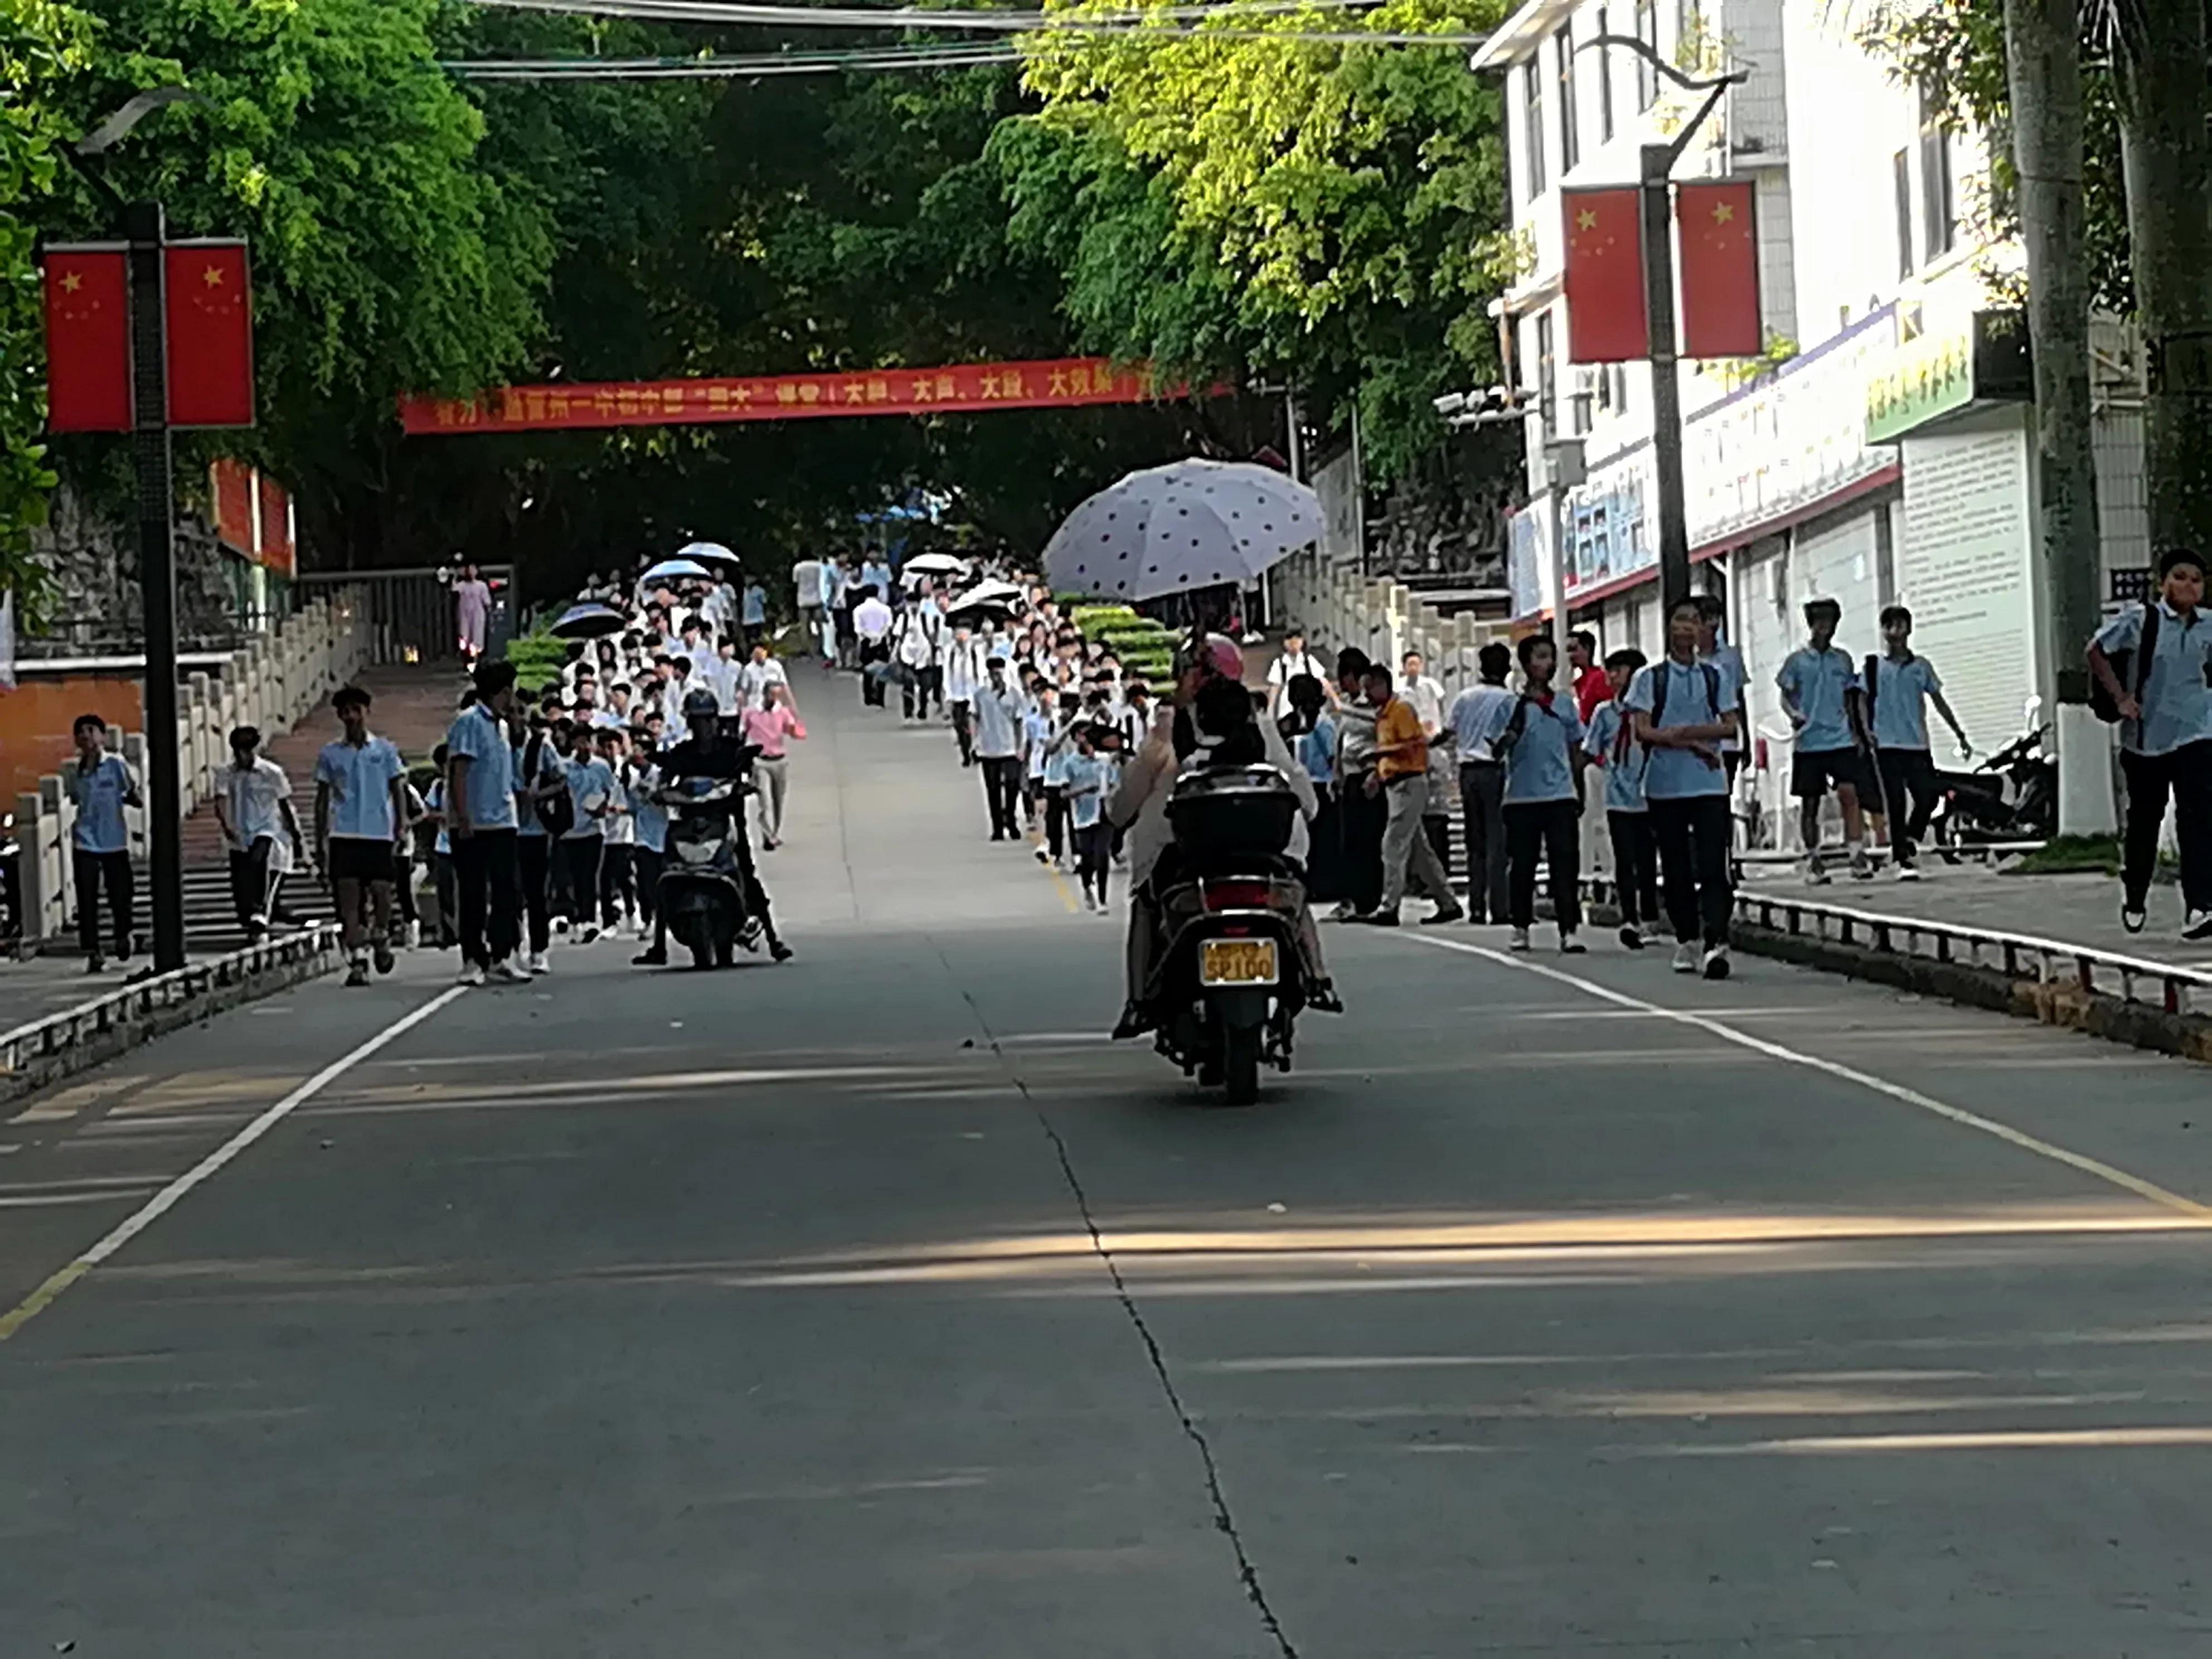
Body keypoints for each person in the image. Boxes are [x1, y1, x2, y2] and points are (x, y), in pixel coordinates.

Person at [1108, 636, 1331, 1037]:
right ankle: (1318, 976)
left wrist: (1119, 815)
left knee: (1146, 905)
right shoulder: (1258, 731)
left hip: (1185, 856)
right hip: (1265, 851)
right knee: (1294, 897)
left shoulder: (1171, 731)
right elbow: (1302, 793)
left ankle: (1138, 1001)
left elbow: (1128, 799)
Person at [2090, 544, 2212, 938]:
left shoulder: (2209, 624)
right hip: (2146, 740)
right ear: (2163, 583)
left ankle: (2199, 905)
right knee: (2146, 819)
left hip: (2198, 732)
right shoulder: (2141, 620)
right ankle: (2136, 892)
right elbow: (2096, 651)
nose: (2188, 586)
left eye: (2196, 580)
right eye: (2180, 577)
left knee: (2198, 818)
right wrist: (2121, 698)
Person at [1629, 597, 1744, 979]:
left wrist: (1686, 733)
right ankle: (1686, 937)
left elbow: (1729, 725)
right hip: (1665, 785)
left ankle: (1717, 940)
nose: (1687, 629)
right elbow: (1643, 730)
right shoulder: (1651, 678)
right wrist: (1691, 744)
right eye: (1680, 621)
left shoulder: (1714, 676)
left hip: (1709, 784)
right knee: (1676, 867)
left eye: (1694, 622)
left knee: (1714, 864)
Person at [644, 687, 793, 962]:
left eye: (707, 719)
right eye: (696, 720)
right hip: (689, 824)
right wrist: (660, 791)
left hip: (725, 821)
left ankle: (773, 938)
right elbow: (666, 776)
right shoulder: (683, 753)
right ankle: (658, 945)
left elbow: (746, 768)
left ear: (715, 719)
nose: (702, 726)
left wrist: (743, 786)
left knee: (747, 872)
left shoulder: (730, 749)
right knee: (664, 873)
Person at [1348, 662, 1462, 926]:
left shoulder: (1401, 710)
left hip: (1409, 782)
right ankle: (1448, 902)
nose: (1367, 695)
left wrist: (1378, 755)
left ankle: (1389, 907)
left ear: (1382, 685)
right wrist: (1377, 775)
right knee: (1420, 852)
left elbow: (1414, 743)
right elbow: (1390, 750)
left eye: (1369, 689)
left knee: (1393, 845)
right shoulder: (1384, 716)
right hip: (1395, 784)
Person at [1865, 605, 1971, 881]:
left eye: (1900, 625)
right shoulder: (1873, 666)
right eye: (1890, 626)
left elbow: (1939, 702)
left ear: (1909, 630)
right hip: (1886, 744)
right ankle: (1902, 858)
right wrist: (1866, 733)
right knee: (1896, 802)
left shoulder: (1921, 666)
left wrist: (1958, 733)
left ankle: (1912, 837)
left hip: (1917, 744)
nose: (1896, 631)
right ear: (1883, 631)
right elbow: (1861, 701)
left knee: (1928, 795)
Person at [313, 685, 408, 987]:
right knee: (349, 902)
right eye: (346, 711)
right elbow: (322, 798)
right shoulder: (330, 754)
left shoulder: (385, 750)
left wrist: (401, 824)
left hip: (378, 832)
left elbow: (397, 787)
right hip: (344, 833)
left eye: (357, 709)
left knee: (382, 892)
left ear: (367, 711)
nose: (351, 716)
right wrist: (320, 840)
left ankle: (381, 935)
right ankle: (357, 959)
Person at [1494, 635, 1585, 953]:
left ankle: (1569, 927)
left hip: (1560, 795)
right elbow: (1496, 748)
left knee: (1565, 863)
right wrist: (1508, 737)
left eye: (1551, 657)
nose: (1548, 664)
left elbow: (1576, 747)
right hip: (1521, 797)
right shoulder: (1510, 706)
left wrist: (1579, 786)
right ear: (1526, 663)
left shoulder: (1563, 704)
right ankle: (1520, 925)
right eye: (1541, 657)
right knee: (1523, 865)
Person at [444, 662, 530, 985]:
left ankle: (501, 954)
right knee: (473, 894)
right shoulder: (469, 723)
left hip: (503, 821)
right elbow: (459, 773)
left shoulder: (503, 727)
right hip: (475, 823)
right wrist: (463, 817)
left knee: (507, 892)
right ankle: (472, 958)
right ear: (502, 691)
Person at [1778, 598, 1874, 884]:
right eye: (1819, 622)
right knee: (1811, 803)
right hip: (1809, 741)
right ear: (1811, 625)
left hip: (1840, 737)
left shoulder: (1842, 659)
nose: (1825, 627)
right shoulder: (1796, 661)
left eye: (1830, 622)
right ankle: (1812, 857)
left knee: (1849, 794)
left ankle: (1856, 852)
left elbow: (1850, 697)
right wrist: (1793, 714)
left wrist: (1858, 731)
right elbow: (1785, 694)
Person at [1583, 648, 1657, 949]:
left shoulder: (1653, 709)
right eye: (1610, 671)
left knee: (1648, 860)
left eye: (1619, 670)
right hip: (1618, 795)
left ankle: (1651, 917)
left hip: (1651, 792)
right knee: (1624, 860)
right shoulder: (1605, 713)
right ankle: (1629, 918)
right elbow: (1591, 748)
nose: (1613, 677)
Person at [1445, 642, 1516, 925]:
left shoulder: (1465, 697)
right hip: (1495, 771)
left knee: (1474, 841)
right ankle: (1499, 908)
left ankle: (1476, 907)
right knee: (1497, 840)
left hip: (1468, 772)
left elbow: (1448, 732)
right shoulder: (1509, 700)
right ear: (1508, 669)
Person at [215, 724, 304, 942]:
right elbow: (221, 801)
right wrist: (227, 826)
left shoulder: (271, 773)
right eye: (238, 750)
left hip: (267, 830)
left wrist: (296, 836)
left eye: (246, 749)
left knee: (260, 865)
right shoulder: (227, 774)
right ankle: (262, 914)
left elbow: (284, 804)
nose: (242, 755)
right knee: (241, 883)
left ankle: (261, 914)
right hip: (239, 834)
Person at [66, 712, 138, 973]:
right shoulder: (76, 771)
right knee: (87, 898)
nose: (86, 736)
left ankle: (123, 934)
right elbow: (74, 800)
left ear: (102, 736)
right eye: (80, 732)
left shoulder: (116, 765)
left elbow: (132, 792)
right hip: (85, 841)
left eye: (91, 730)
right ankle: (94, 950)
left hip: (115, 841)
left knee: (121, 895)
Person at [1330, 648, 1385, 920]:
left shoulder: (1372, 705)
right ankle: (1351, 898)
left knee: (1368, 840)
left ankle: (1369, 899)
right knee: (1349, 841)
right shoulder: (1346, 705)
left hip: (1369, 776)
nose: (1343, 683)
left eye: (1346, 676)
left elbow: (1382, 735)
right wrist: (1336, 771)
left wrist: (1376, 771)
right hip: (1349, 776)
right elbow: (1342, 740)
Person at [512, 711, 567, 975]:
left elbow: (561, 780)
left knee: (536, 893)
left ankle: (539, 949)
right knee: (509, 893)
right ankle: (511, 947)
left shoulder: (539, 746)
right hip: (505, 826)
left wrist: (536, 796)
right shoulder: (498, 743)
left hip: (535, 829)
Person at [1279, 673, 1341, 901]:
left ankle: (1324, 885)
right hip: (1297, 786)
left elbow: (1332, 757)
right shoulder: (1290, 722)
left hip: (1321, 786)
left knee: (1322, 840)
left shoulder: (1324, 725)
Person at [557, 725, 617, 942]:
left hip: (594, 829)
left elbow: (612, 792)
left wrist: (604, 808)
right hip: (569, 830)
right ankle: (576, 919)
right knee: (572, 877)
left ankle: (590, 920)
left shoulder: (601, 767)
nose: (584, 746)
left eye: (587, 741)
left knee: (590, 877)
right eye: (579, 741)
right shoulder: (564, 767)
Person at [740, 682, 806, 849]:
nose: (775, 699)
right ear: (765, 694)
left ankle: (775, 832)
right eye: (772, 695)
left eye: (778, 695)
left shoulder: (783, 713)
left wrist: (795, 727)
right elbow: (743, 733)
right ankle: (768, 835)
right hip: (760, 761)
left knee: (779, 800)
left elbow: (792, 732)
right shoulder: (751, 713)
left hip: (779, 760)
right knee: (765, 802)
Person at [1063, 722, 1115, 912]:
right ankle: (1087, 886)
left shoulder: (1104, 761)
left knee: (1102, 856)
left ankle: (1102, 898)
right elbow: (1063, 793)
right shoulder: (1070, 763)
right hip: (1083, 816)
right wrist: (1084, 790)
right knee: (1088, 859)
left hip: (1104, 814)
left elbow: (1114, 783)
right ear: (1077, 739)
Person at [973, 656, 1026, 841]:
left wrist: (1020, 746)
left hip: (1010, 747)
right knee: (993, 789)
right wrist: (975, 742)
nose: (997, 675)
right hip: (988, 748)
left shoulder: (1014, 694)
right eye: (993, 672)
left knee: (1012, 786)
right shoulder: (981, 695)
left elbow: (1019, 722)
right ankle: (997, 827)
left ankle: (1010, 820)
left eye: (1000, 671)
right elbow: (974, 717)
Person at [598, 728, 639, 934]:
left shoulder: (628, 772)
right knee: (605, 879)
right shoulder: (600, 770)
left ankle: (632, 913)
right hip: (605, 832)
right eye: (604, 747)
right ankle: (608, 921)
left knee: (624, 876)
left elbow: (635, 800)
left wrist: (621, 809)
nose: (608, 751)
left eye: (612, 746)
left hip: (625, 832)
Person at [421, 744, 458, 950]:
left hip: (465, 843)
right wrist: (446, 817)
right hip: (444, 845)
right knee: (446, 891)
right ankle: (448, 931)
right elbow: (428, 812)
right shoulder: (438, 787)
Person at [895, 590, 946, 722]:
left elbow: (932, 636)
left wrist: (934, 654)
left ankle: (923, 708)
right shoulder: (903, 619)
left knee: (925, 684)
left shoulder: (926, 618)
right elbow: (898, 637)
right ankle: (908, 712)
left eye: (915, 603)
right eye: (910, 603)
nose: (913, 606)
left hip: (924, 655)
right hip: (907, 655)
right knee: (908, 685)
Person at [943, 623, 988, 767]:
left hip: (972, 695)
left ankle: (974, 750)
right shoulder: (950, 652)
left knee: (971, 724)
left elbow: (981, 673)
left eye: (964, 635)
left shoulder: (975, 652)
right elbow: (947, 674)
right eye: (959, 635)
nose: (961, 638)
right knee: (959, 725)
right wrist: (948, 695)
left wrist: (981, 694)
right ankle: (965, 750)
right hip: (957, 695)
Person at [1267, 628, 1328, 714]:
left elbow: (1323, 681)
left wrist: (1335, 699)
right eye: (1289, 639)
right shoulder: (1279, 663)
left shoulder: (1309, 660)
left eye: (1297, 639)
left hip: (1307, 703)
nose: (1293, 643)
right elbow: (1275, 687)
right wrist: (1270, 708)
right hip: (1286, 707)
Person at [853, 585, 894, 706]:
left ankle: (868, 696)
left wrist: (870, 636)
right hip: (882, 641)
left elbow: (859, 629)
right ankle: (880, 697)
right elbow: (889, 626)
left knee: (867, 669)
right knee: (882, 669)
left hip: (866, 641)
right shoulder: (886, 609)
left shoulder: (859, 610)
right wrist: (879, 636)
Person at [1568, 630, 1610, 726]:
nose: (1570, 655)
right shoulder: (1580, 682)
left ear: (1587, 649)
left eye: (1574, 649)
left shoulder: (1599, 678)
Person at [453, 563, 492, 667]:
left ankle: (475, 661)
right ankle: (466, 660)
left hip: (477, 615)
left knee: (477, 638)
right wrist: (456, 575)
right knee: (465, 637)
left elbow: (487, 601)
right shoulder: (462, 585)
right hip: (465, 615)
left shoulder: (481, 585)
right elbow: (454, 589)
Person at [737, 642, 790, 711]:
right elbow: (744, 691)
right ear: (752, 655)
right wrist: (742, 709)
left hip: (774, 708)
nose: (759, 655)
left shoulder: (775, 666)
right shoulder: (748, 670)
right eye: (756, 653)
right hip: (755, 708)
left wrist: (792, 707)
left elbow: (785, 687)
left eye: (761, 652)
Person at [740, 576, 768, 649]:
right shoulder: (744, 591)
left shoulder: (759, 590)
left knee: (757, 640)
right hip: (746, 621)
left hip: (757, 619)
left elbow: (765, 602)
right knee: (749, 641)